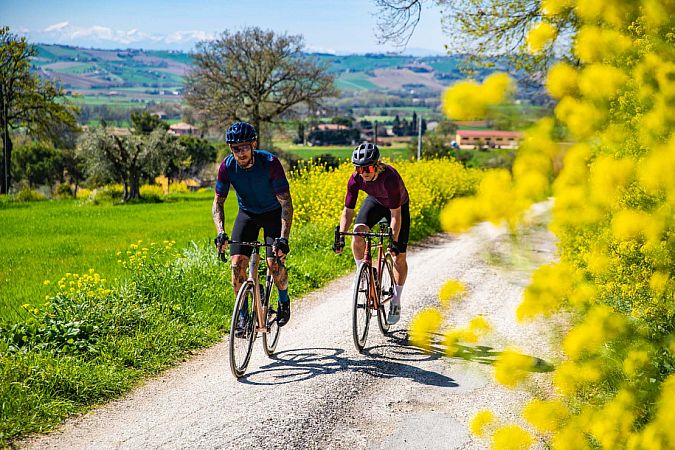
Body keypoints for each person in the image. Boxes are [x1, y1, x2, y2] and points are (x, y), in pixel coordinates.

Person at [212, 121, 294, 334]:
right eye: (235, 148)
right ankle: (242, 317)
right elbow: (218, 203)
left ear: (254, 144)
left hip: (273, 214)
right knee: (237, 265)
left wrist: (283, 238)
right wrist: (220, 232)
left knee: (273, 264)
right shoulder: (227, 166)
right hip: (247, 214)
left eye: (245, 147)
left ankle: (284, 300)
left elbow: (286, 203)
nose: (240, 152)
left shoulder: (270, 163)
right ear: (231, 149)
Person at [333, 142, 410, 325]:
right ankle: (362, 272)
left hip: (397, 208)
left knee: (398, 255)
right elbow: (348, 211)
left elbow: (395, 214)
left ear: (376, 165)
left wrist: (393, 240)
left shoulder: (389, 178)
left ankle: (396, 301)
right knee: (358, 232)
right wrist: (342, 236)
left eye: (367, 168)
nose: (364, 172)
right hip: (375, 202)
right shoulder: (355, 179)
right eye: (359, 169)